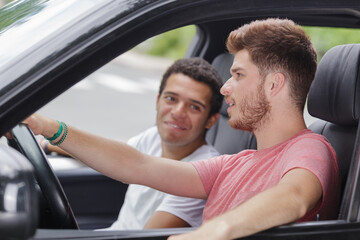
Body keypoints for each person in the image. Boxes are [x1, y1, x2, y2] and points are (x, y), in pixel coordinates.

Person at [22, 18, 339, 240]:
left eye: (239, 75)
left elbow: (294, 196)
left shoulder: (309, 148)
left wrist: (210, 233)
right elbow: (138, 165)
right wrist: (48, 127)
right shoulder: (235, 163)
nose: (226, 87)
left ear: (273, 84)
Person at [33, 57, 224, 230]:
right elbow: (113, 154)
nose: (178, 112)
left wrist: (50, 128)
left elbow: (148, 236)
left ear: (211, 120)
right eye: (171, 99)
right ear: (158, 101)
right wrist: (46, 141)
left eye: (194, 107)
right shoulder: (153, 137)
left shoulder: (201, 176)